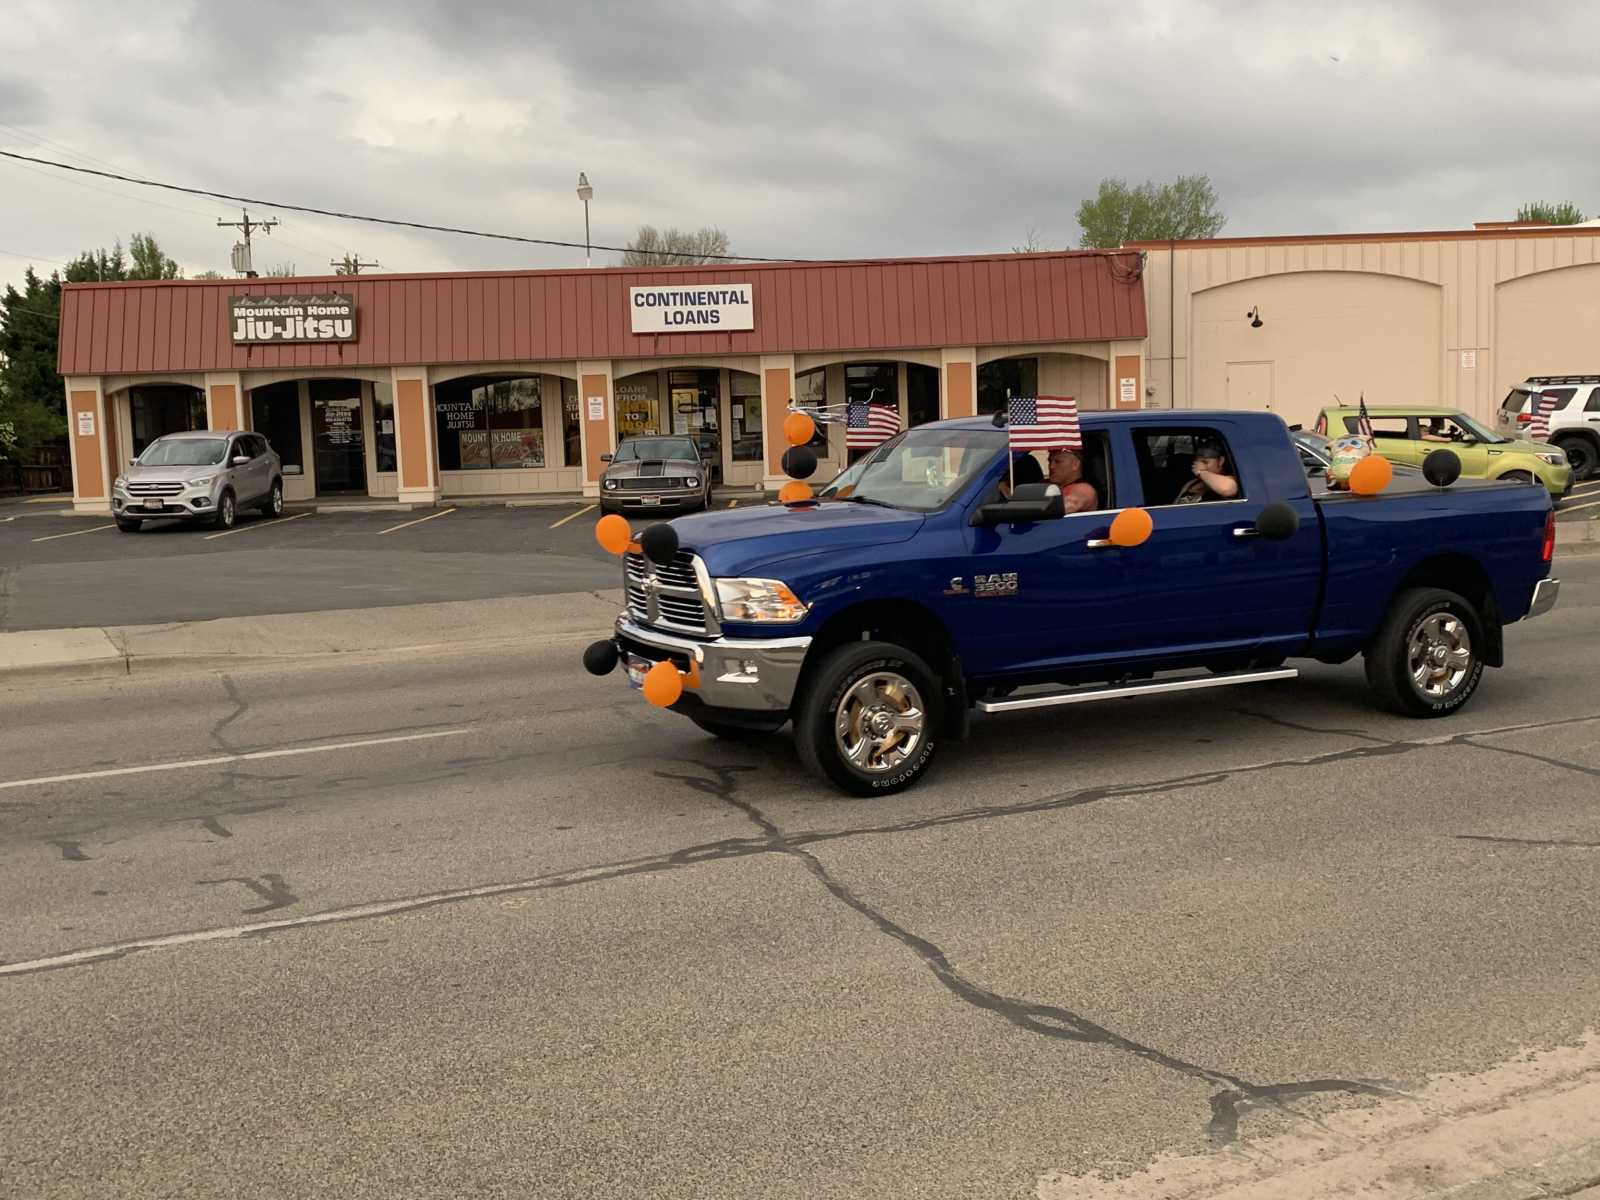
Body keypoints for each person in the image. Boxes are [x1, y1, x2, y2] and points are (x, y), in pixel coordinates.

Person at [1173, 438, 1239, 504]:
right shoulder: (1191, 483)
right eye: (1197, 462)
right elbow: (1175, 504)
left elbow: (1227, 489)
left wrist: (1201, 472)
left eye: (1205, 462)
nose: (1199, 466)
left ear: (1221, 461)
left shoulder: (1230, 479)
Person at [1046, 447, 1099, 513]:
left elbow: (1061, 507)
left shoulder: (1084, 490)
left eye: (1058, 461)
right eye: (1050, 461)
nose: (1051, 466)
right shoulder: (1046, 483)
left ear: (1075, 464)